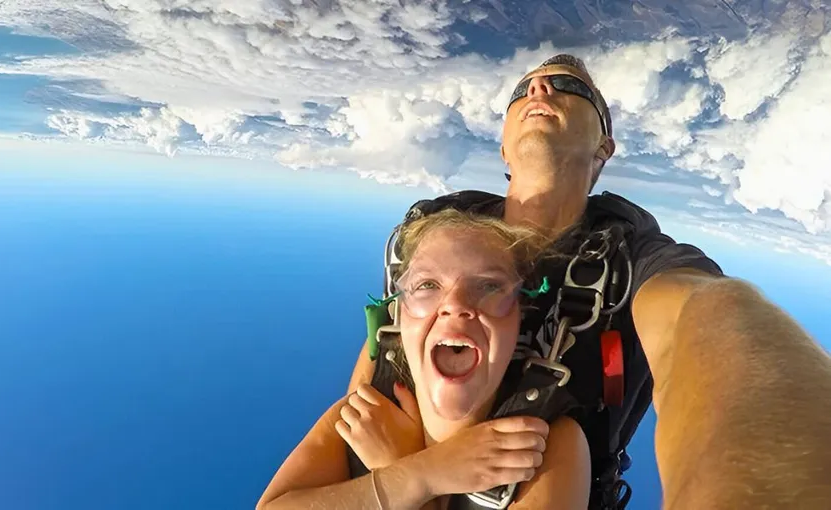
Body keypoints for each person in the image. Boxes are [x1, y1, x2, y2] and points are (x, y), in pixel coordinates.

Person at [346, 55, 831, 509]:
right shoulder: (434, 239)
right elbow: (383, 353)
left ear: (604, 147)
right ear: (503, 147)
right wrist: (411, 476)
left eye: (567, 86)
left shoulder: (631, 260)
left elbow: (699, 315)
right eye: (521, 91)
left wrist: (772, 453)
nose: (538, 87)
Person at [257, 209, 592, 509]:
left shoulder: (547, 443)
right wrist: (422, 474)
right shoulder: (364, 415)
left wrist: (400, 471)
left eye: (490, 286)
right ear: (400, 316)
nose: (455, 304)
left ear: (519, 318)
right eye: (428, 284)